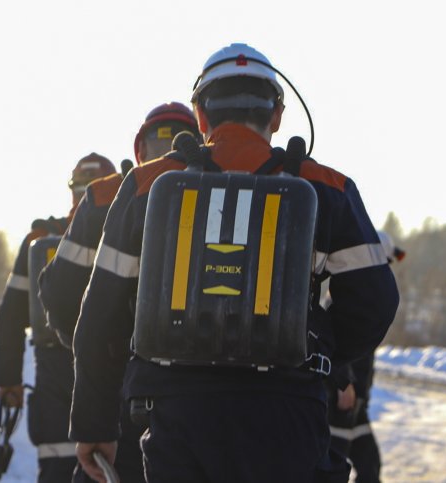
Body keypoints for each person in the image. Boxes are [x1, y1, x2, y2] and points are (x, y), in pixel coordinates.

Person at [70, 43, 399, 483]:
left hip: (175, 416)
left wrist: (94, 423)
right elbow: (375, 302)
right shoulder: (327, 187)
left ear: (201, 116)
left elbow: (99, 317)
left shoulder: (147, 185)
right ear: (277, 115)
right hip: (288, 415)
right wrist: (316, 350)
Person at [36, 102, 198, 483]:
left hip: (119, 390)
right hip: (198, 399)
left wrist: (92, 350)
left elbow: (58, 296)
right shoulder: (230, 192)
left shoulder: (105, 197)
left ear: (139, 149)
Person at [0, 153, 115, 482]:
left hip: (90, 383)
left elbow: (9, 317)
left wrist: (9, 379)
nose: (84, 195)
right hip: (74, 383)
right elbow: (11, 315)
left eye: (91, 188)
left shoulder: (130, 233)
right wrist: (8, 379)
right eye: (80, 188)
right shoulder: (40, 240)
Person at [326, 231, 405, 483]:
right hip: (340, 403)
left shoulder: (367, 299)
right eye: (387, 263)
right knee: (330, 470)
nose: (388, 270)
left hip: (356, 406)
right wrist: (344, 383)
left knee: (369, 465)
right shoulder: (346, 300)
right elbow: (333, 346)